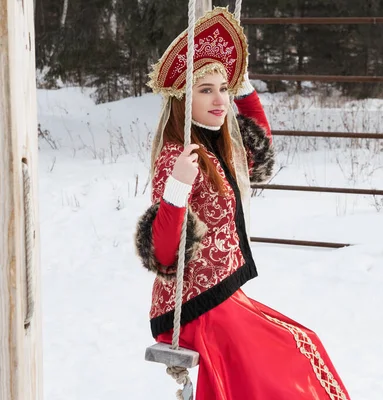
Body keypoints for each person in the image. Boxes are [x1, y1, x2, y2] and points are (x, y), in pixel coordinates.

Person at [134, 7, 351, 400]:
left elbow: (259, 147)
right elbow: (163, 255)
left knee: (305, 343)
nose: (220, 99)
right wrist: (177, 191)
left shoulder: (216, 144)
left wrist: (246, 90)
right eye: (206, 90)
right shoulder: (177, 156)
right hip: (194, 308)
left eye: (223, 88)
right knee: (286, 363)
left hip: (222, 295)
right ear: (184, 97)